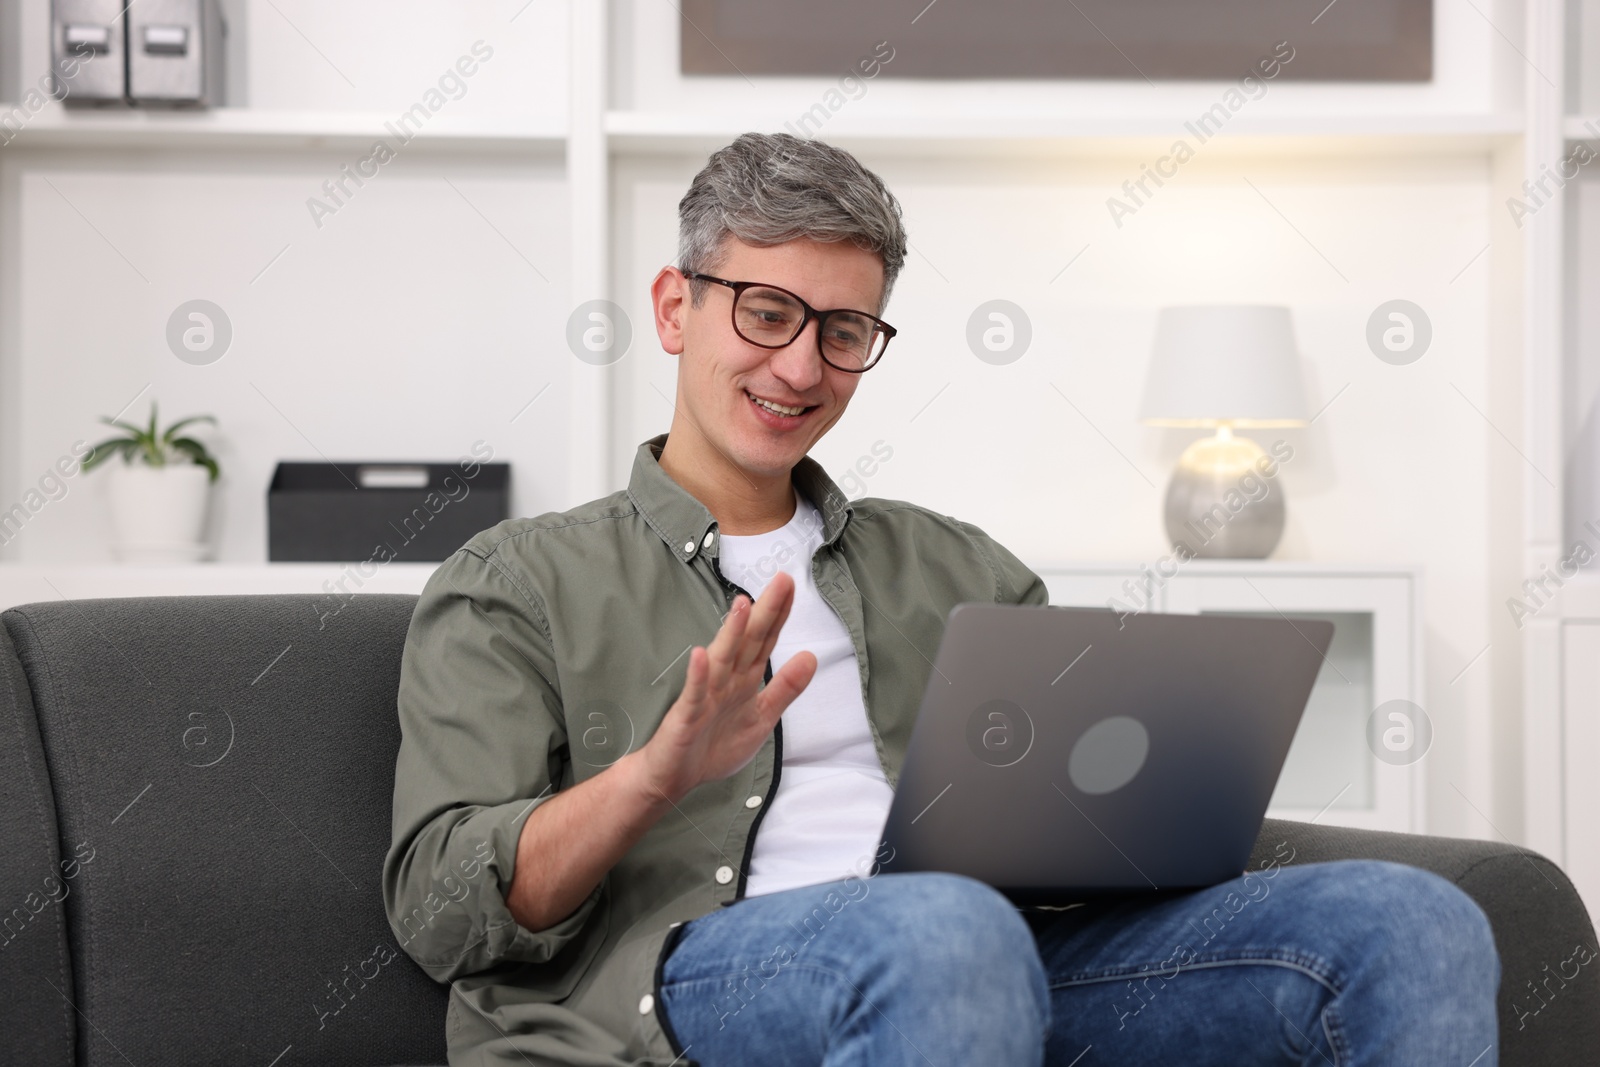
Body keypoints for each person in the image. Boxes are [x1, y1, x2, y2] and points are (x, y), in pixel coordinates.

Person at [383, 132, 1501, 1066]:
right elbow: (439, 911)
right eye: (766, 311)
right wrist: (651, 775)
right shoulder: (514, 580)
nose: (801, 366)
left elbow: (1072, 837)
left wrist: (1145, 815)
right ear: (677, 307)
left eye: (844, 330)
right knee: (942, 930)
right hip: (697, 978)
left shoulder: (965, 570)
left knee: (1409, 919)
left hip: (1000, 960)